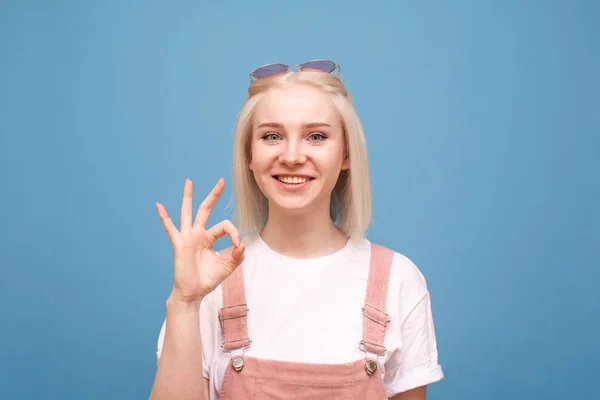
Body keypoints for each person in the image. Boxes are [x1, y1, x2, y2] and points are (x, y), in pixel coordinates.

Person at [149, 60, 444, 400]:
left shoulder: (398, 280)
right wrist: (186, 302)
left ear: (346, 153)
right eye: (271, 136)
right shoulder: (210, 284)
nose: (291, 156)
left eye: (316, 136)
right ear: (249, 154)